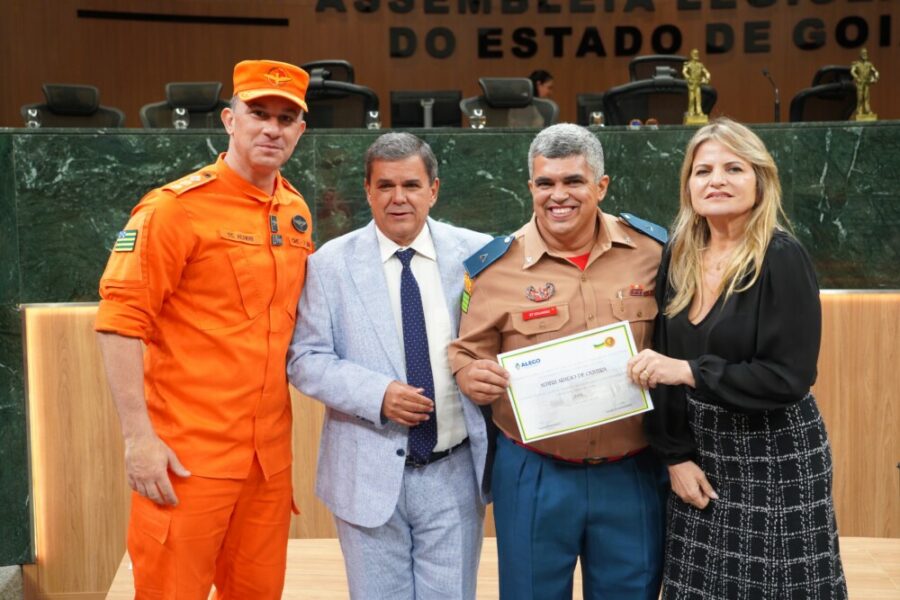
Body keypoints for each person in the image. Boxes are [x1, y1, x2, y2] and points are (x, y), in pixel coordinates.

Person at [95, 59, 312, 599]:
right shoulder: (174, 210)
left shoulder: (295, 211)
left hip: (267, 465)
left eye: (286, 118)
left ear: (300, 132)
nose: (272, 128)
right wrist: (138, 440)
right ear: (228, 120)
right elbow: (119, 324)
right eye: (258, 113)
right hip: (188, 460)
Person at [627, 118, 847, 599]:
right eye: (703, 170)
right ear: (689, 185)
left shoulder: (781, 257)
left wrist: (688, 372)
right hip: (701, 456)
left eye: (733, 168)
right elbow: (660, 358)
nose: (717, 180)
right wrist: (675, 455)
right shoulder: (679, 255)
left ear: (760, 180)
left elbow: (789, 377)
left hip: (774, 454)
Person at [450, 123, 669, 599]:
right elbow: (467, 349)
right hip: (535, 470)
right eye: (545, 183)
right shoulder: (494, 267)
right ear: (530, 187)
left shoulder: (653, 253)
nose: (558, 196)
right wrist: (470, 372)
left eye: (574, 181)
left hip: (631, 469)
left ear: (601, 186)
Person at [287, 132, 492, 599]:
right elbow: (305, 359)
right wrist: (375, 394)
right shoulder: (329, 265)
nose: (398, 198)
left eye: (411, 185)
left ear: (433, 190)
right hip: (366, 471)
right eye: (385, 186)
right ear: (367, 190)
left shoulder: (478, 255)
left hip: (453, 473)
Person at [851, 47, 879, 118]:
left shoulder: (869, 64)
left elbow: (875, 71)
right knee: (860, 97)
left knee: (866, 97)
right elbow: (852, 71)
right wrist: (857, 77)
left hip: (867, 82)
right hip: (860, 83)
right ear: (860, 55)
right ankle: (859, 110)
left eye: (865, 53)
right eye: (863, 53)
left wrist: (876, 77)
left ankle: (867, 110)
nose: (865, 54)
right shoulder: (857, 64)